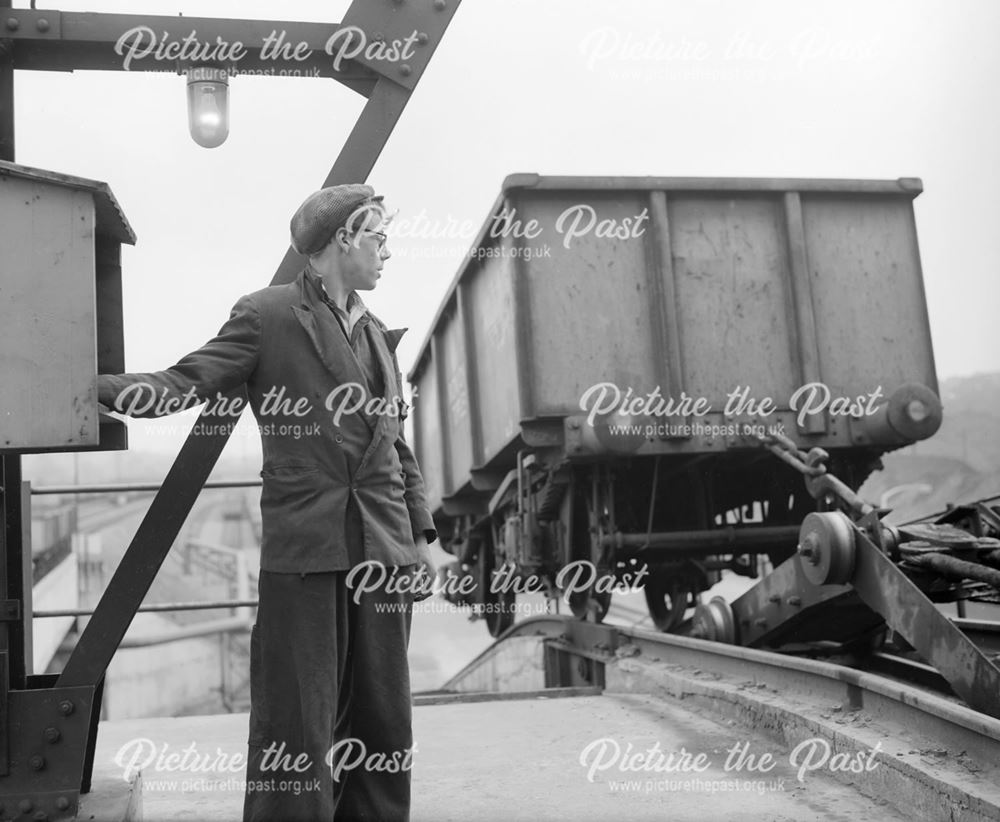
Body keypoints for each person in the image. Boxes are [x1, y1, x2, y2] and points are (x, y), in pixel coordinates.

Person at [98, 184, 437, 821]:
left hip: (384, 553)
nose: (388, 252)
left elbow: (396, 449)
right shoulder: (267, 316)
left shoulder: (376, 337)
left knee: (384, 721)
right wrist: (96, 389)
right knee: (297, 723)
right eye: (380, 237)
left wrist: (419, 539)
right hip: (307, 548)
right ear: (344, 239)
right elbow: (187, 381)